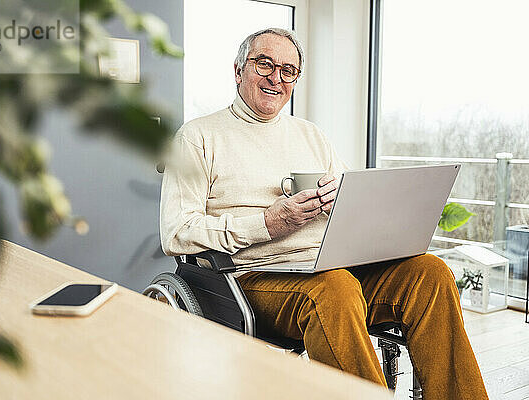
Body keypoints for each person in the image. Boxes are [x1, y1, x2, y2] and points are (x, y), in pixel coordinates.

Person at [160, 27, 488, 399]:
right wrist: (267, 223)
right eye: (264, 64)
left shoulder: (311, 135)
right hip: (251, 278)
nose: (276, 78)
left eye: (288, 70)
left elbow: (353, 203)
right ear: (238, 70)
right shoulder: (197, 137)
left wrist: (344, 203)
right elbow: (177, 232)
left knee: (430, 273)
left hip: (329, 267)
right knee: (334, 289)